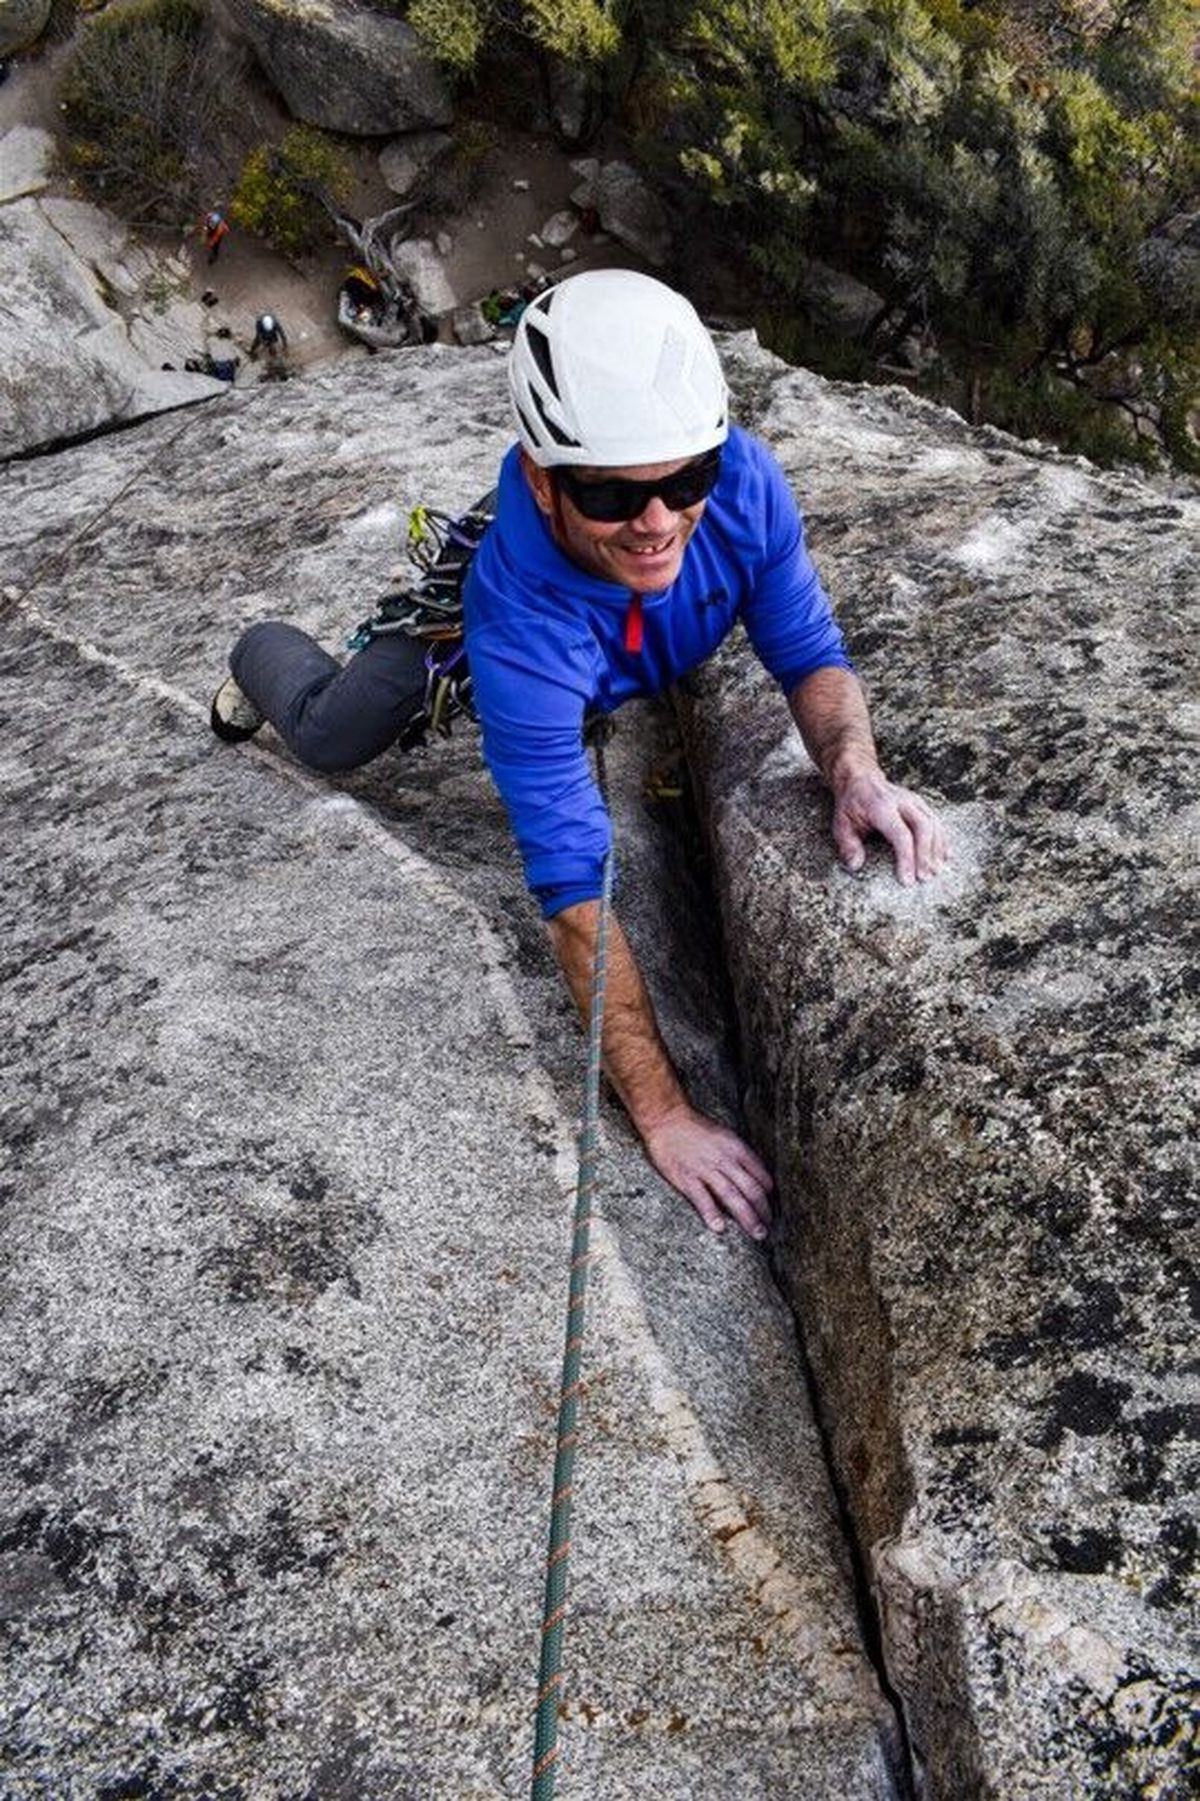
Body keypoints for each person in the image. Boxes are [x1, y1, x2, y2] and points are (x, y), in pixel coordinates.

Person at [210, 269, 947, 1241]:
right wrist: (663, 1112)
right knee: (336, 731)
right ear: (545, 480)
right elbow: (572, 891)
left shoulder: (744, 486)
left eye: (686, 479)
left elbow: (810, 655)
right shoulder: (518, 627)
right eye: (611, 492)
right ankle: (259, 656)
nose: (656, 519)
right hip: (488, 629)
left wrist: (852, 768)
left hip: (602, 637)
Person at [249, 313, 289, 377]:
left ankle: (273, 359)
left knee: (272, 346)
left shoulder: (275, 323)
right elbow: (259, 335)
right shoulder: (259, 323)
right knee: (256, 342)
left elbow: (282, 334)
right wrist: (263, 342)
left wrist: (285, 345)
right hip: (262, 334)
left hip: (272, 335)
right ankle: (251, 352)